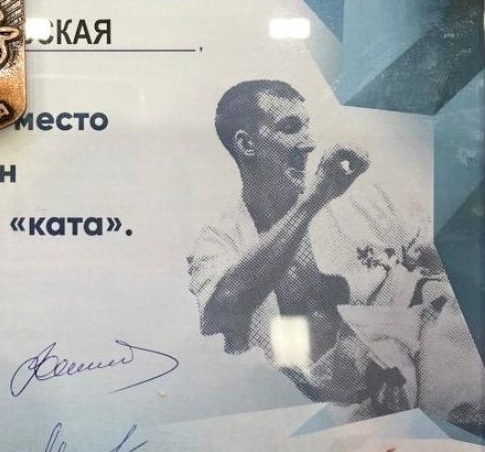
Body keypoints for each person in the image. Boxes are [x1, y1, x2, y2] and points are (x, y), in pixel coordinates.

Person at [188, 79, 485, 430]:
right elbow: (221, 312)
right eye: (290, 128)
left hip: (429, 381)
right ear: (246, 144)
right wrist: (312, 200)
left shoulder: (367, 202)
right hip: (326, 416)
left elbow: (455, 262)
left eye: (307, 126)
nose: (309, 143)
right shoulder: (220, 240)